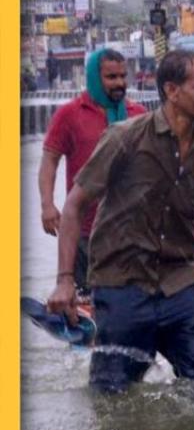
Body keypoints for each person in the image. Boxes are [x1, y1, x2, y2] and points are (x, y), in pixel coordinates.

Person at [44, 49, 194, 393]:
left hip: (179, 285)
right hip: (121, 283)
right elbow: (73, 207)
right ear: (172, 91)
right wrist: (65, 281)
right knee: (112, 397)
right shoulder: (125, 137)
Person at [38, 48, 148, 293]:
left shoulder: (139, 115)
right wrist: (47, 204)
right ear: (93, 78)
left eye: (122, 76)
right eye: (111, 77)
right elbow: (49, 162)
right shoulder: (69, 114)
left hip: (132, 232)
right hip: (85, 232)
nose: (119, 83)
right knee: (88, 302)